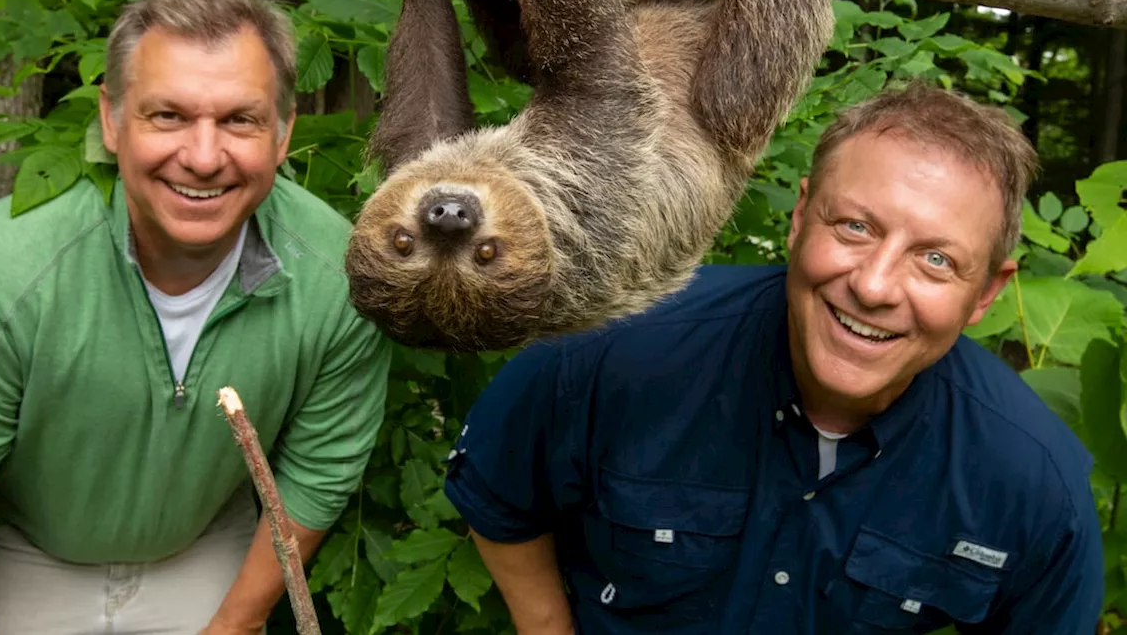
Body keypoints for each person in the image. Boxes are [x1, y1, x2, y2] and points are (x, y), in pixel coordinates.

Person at [443, 83, 1103, 634]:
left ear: (986, 291)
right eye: (856, 226)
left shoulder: (1032, 481)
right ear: (799, 219)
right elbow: (498, 489)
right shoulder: (611, 346)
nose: (873, 286)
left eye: (936, 259)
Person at [0, 0, 394, 635]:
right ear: (112, 119)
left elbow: (319, 470)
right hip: (21, 552)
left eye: (240, 119)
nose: (203, 157)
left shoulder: (340, 277)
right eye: (168, 115)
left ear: (284, 132)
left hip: (207, 549)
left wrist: (233, 624)